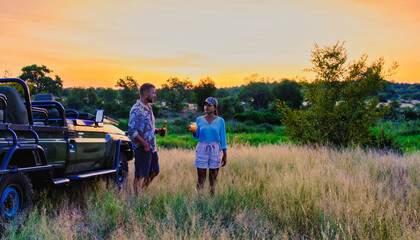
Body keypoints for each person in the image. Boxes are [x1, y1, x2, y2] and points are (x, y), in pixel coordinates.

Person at [127, 83, 166, 196]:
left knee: (155, 172)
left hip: (151, 147)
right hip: (142, 147)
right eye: (153, 92)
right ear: (145, 93)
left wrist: (157, 131)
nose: (155, 95)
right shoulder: (136, 109)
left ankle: (141, 193)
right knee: (140, 176)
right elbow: (132, 131)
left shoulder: (149, 108)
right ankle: (136, 199)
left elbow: (145, 128)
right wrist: (144, 145)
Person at [190, 97, 227, 196]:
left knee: (213, 178)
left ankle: (211, 199)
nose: (207, 107)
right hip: (202, 147)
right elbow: (196, 136)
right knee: (201, 178)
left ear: (215, 107)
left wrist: (225, 154)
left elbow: (223, 137)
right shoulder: (199, 119)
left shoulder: (220, 121)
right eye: (205, 105)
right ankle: (199, 199)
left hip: (215, 148)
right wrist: (193, 132)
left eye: (209, 105)